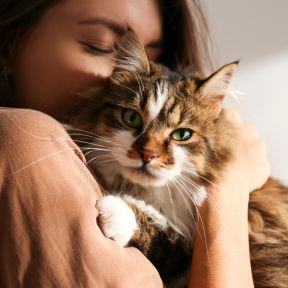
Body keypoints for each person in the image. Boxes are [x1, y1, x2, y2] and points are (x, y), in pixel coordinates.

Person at [0, 0, 270, 287]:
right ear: (8, 44)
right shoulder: (25, 138)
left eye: (155, 57)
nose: (123, 78)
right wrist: (230, 190)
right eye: (101, 45)